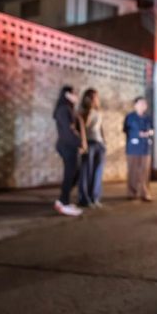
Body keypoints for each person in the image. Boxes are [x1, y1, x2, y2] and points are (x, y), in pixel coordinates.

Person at [53, 85, 86, 217]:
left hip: (70, 145)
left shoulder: (69, 109)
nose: (77, 96)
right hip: (67, 146)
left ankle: (62, 200)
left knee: (75, 173)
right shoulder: (63, 110)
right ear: (67, 95)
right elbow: (68, 131)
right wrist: (79, 143)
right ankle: (63, 202)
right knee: (70, 174)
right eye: (74, 94)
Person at [78, 88, 106, 207]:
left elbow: (100, 128)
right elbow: (83, 129)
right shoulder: (84, 112)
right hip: (89, 143)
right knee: (86, 171)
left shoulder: (99, 112)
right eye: (95, 97)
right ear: (89, 99)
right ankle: (85, 199)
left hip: (99, 144)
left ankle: (95, 197)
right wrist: (82, 145)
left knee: (98, 172)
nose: (97, 99)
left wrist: (104, 141)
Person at [123, 97, 153, 201]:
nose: (143, 105)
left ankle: (145, 193)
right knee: (133, 171)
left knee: (145, 172)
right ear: (135, 105)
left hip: (145, 148)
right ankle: (132, 193)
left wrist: (149, 133)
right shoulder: (130, 117)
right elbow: (126, 130)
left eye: (144, 103)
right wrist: (138, 134)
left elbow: (152, 129)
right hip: (133, 148)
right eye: (141, 103)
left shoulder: (148, 118)